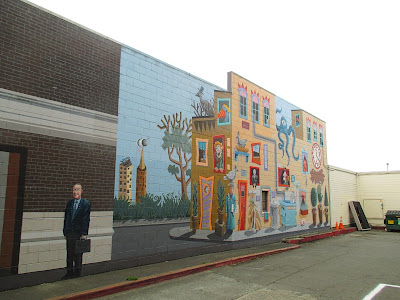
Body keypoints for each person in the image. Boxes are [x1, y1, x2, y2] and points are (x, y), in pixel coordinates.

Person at [62, 183, 90, 279]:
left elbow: (86, 219)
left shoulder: (85, 204)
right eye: (74, 189)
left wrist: (84, 233)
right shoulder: (69, 203)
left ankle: (77, 273)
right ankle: (69, 272)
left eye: (77, 190)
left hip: (79, 233)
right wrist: (65, 232)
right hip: (70, 232)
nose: (75, 192)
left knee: (78, 254)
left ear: (81, 191)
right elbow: (66, 218)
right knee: (69, 253)